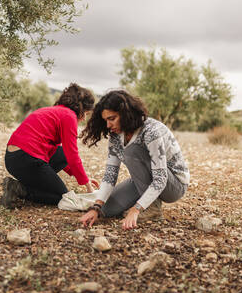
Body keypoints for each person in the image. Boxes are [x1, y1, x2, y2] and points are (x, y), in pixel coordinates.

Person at [79, 90, 190, 230]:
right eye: (105, 120)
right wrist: (96, 207)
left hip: (174, 184)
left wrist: (136, 209)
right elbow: (110, 174)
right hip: (144, 180)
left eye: (112, 119)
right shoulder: (115, 136)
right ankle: (146, 202)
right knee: (106, 210)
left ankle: (152, 209)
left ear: (125, 114)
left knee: (133, 150)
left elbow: (160, 178)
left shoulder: (151, 131)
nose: (108, 125)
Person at [1, 83, 98, 208]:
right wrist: (88, 186)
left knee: (61, 153)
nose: (84, 118)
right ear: (81, 108)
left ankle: (24, 185)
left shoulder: (52, 111)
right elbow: (72, 155)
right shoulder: (69, 116)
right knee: (63, 198)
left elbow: (61, 155)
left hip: (12, 159)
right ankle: (19, 189)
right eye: (86, 113)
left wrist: (83, 177)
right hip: (28, 159)